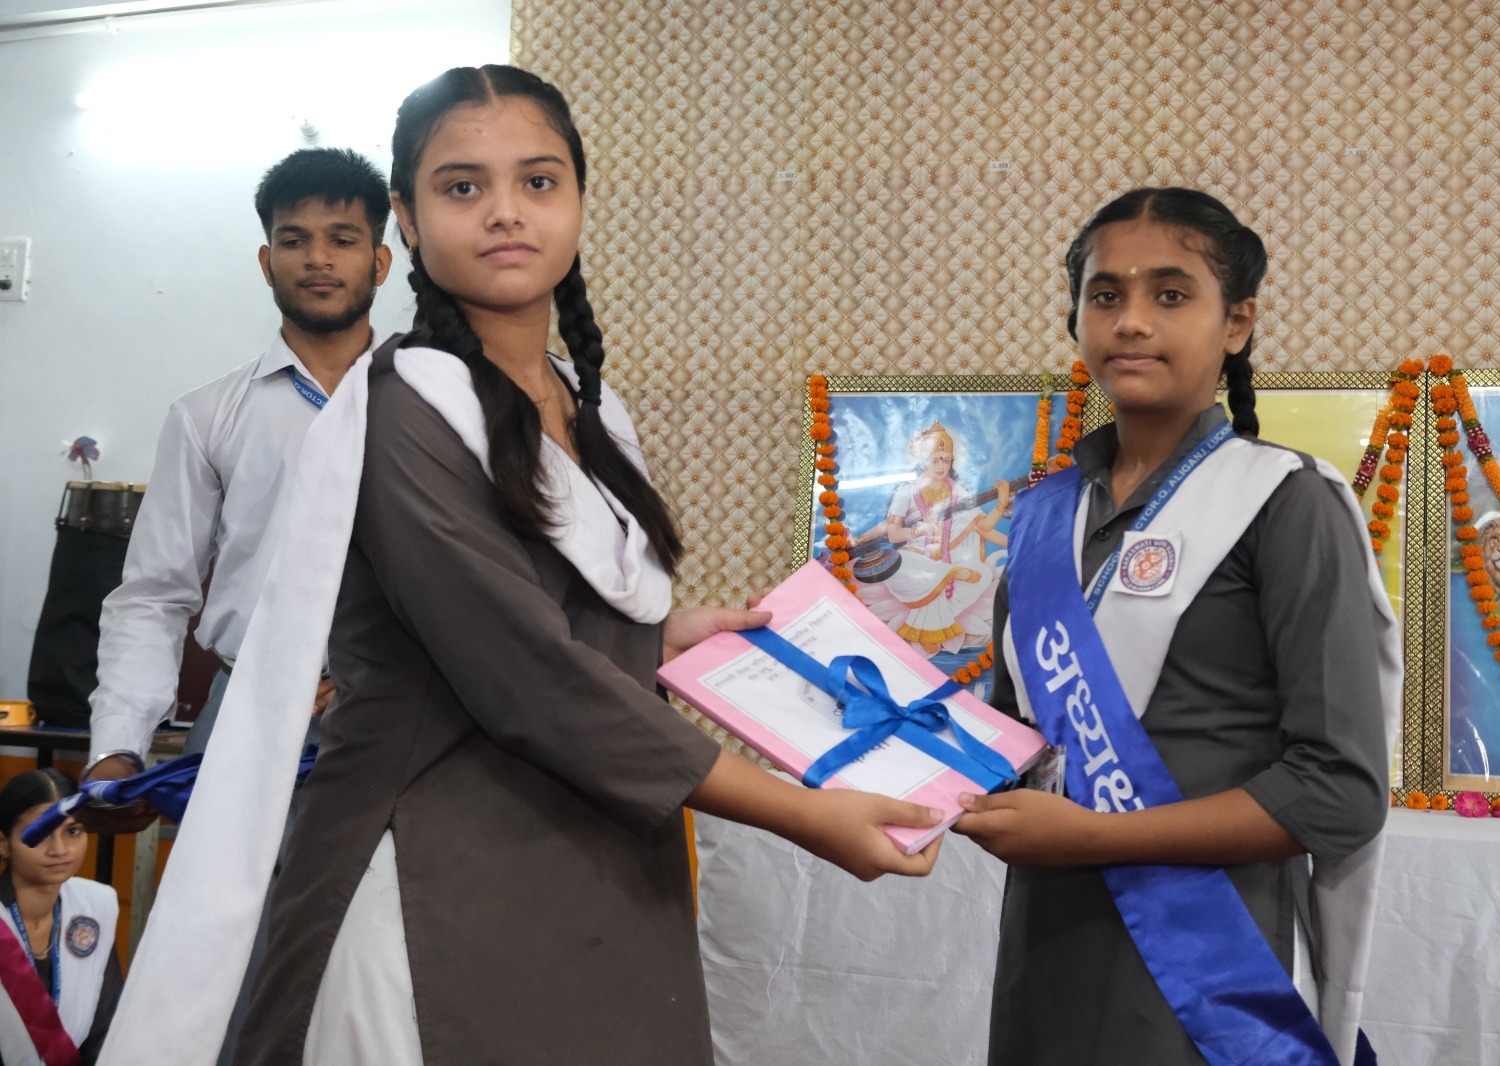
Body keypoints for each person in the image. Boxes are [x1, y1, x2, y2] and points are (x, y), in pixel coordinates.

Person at [102, 66, 944, 1066]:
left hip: (594, 851)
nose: (505, 211)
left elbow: (548, 616)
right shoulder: (402, 410)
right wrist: (805, 815)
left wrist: (664, 633)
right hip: (435, 867)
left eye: (538, 181)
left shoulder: (588, 405)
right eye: (462, 186)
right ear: (406, 221)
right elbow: (533, 683)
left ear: (579, 199)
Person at [952, 188, 1399, 1065]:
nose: (1130, 321)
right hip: (1049, 948)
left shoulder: (1287, 502)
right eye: (1105, 295)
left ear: (1237, 323)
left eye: (1169, 293)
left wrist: (1095, 837)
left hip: (1208, 973)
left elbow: (1338, 791)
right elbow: (1012, 739)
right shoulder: (1044, 517)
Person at [80, 146, 394, 822]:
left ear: (380, 261)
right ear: (266, 261)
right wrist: (119, 745)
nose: (317, 259)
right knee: (226, 895)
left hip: (399, 711)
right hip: (244, 709)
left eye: (342, 240)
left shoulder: (430, 403)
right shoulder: (206, 416)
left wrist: (373, 669)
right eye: (294, 240)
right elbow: (155, 593)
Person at [852, 422, 1011, 656]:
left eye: (946, 460)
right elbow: (893, 533)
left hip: (946, 558)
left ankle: (934, 620)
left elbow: (984, 528)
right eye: (935, 460)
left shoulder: (958, 492)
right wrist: (914, 532)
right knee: (911, 566)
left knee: (983, 575)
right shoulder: (907, 491)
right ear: (923, 460)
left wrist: (1002, 505)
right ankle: (946, 587)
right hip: (912, 558)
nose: (941, 466)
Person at [0, 770, 121, 1066]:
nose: (60, 850)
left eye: (73, 831)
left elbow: (105, 1029)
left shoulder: (95, 905)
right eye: (40, 832)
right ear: (3, 843)